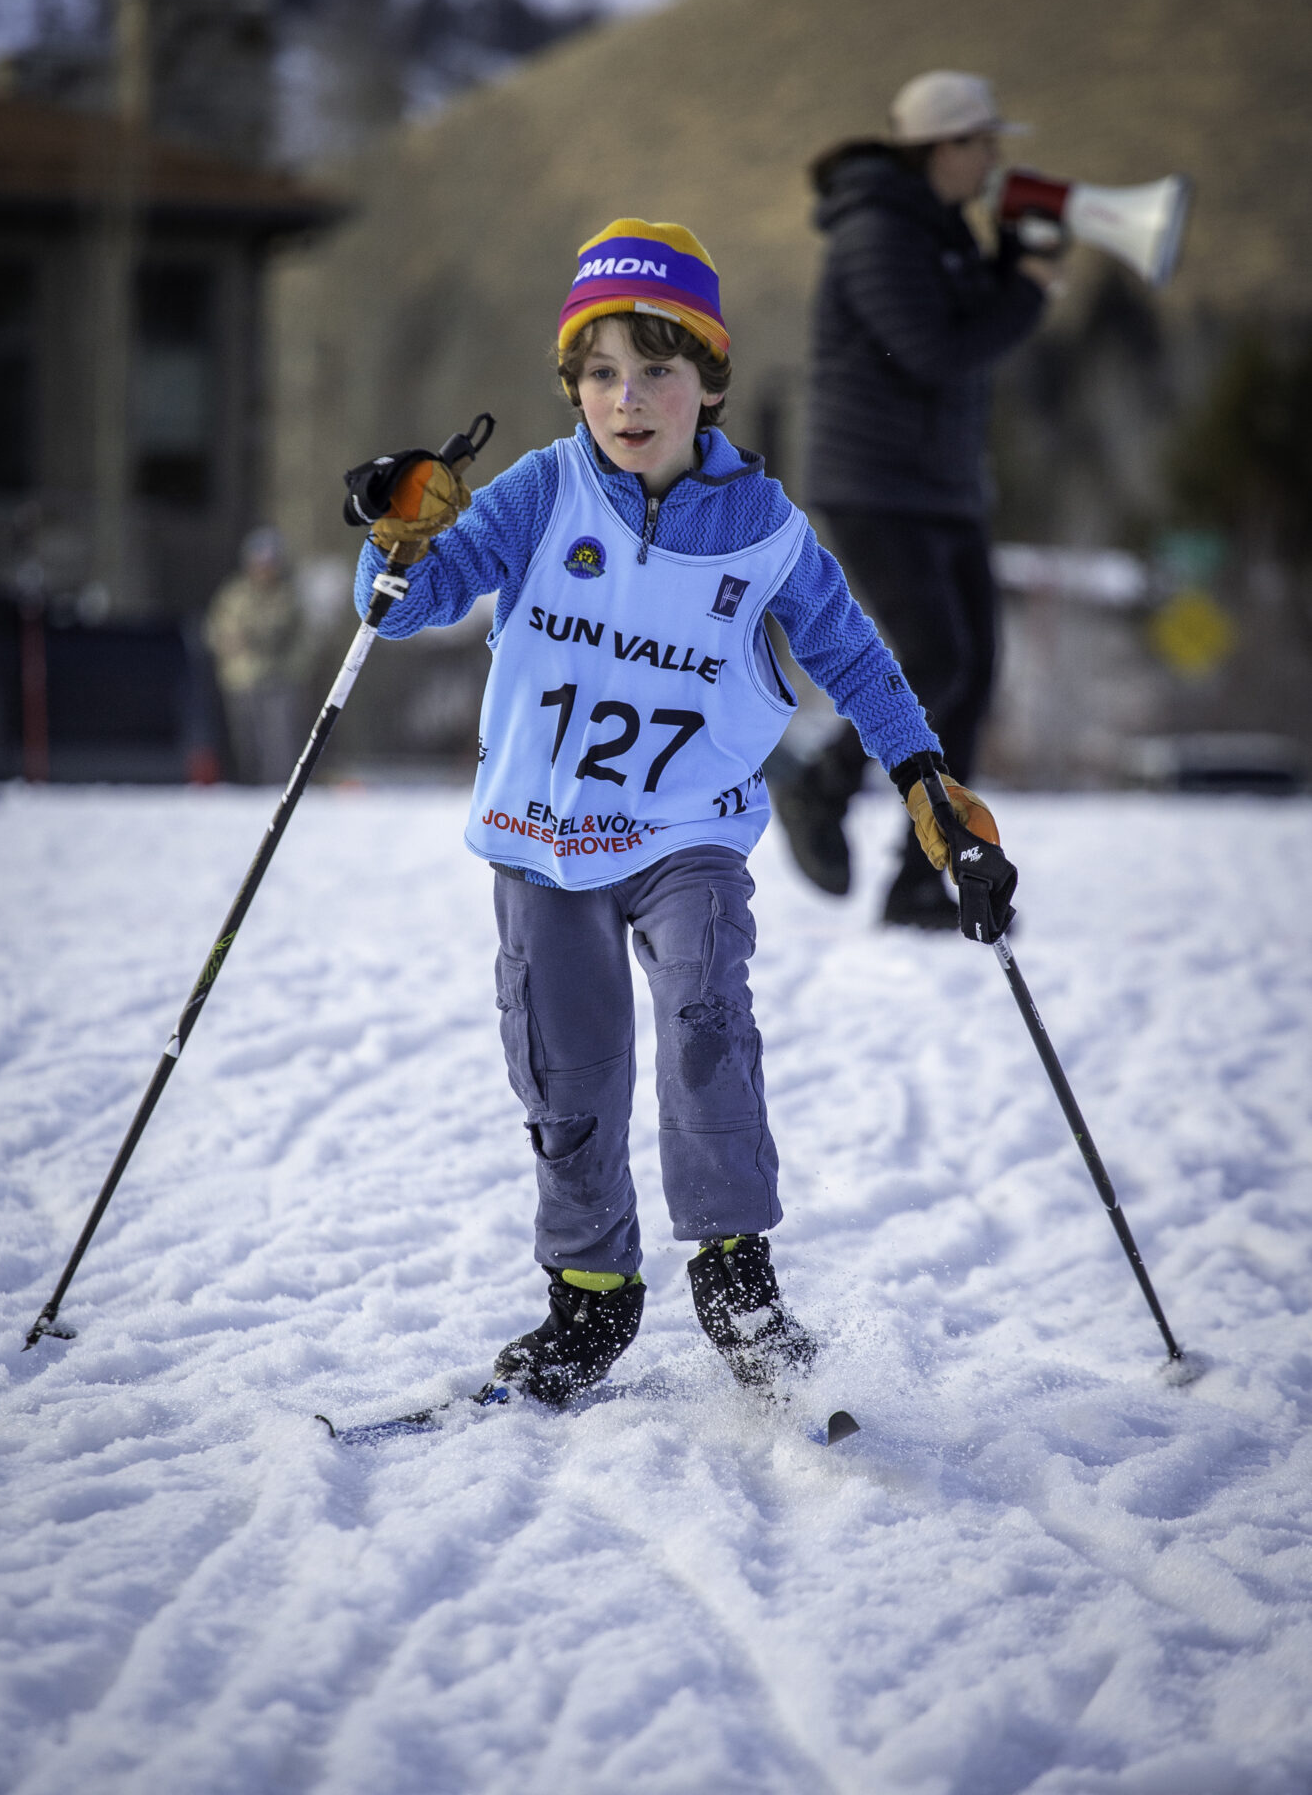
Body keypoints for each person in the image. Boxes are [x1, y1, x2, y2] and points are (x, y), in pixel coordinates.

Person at [348, 218, 1004, 1407]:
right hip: (544, 838)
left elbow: (854, 660)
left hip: (686, 831)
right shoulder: (542, 491)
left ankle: (737, 1279)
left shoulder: (764, 531)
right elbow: (405, 605)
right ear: (573, 387)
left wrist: (926, 785)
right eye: (601, 372)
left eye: (657, 368)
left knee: (707, 1019)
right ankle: (591, 1296)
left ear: (709, 380)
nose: (628, 397)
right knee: (566, 1072)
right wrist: (397, 530)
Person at [773, 71, 1061, 926]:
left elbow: (960, 326)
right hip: (875, 482)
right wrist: (1028, 288)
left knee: (971, 675)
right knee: (937, 660)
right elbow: (932, 352)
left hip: (944, 486)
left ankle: (921, 880)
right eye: (982, 143)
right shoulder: (877, 230)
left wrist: (1009, 259)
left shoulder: (940, 228)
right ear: (941, 147)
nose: (993, 160)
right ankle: (822, 784)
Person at [204, 526, 307, 785]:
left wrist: (293, 668)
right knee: (245, 743)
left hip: (279, 679)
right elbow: (214, 631)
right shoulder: (233, 596)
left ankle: (279, 788)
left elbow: (304, 639)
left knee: (280, 743)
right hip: (241, 680)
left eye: (270, 563)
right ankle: (245, 787)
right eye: (260, 562)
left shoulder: (288, 596)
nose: (265, 569)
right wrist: (231, 649)